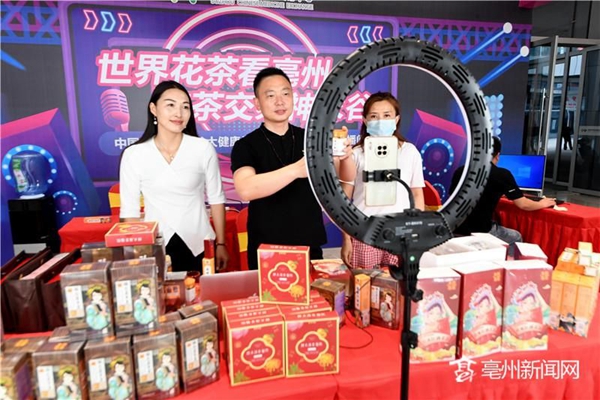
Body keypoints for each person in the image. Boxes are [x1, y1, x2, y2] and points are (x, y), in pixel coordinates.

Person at [231, 67, 355, 270]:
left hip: (309, 244)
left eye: (285, 93)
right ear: (257, 103)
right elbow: (246, 189)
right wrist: (296, 170)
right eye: (271, 95)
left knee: (314, 291)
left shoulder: (312, 139)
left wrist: (346, 157)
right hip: (266, 248)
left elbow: (343, 182)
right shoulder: (246, 145)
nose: (280, 101)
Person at [119, 80, 229, 272]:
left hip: (200, 242)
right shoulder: (134, 154)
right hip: (155, 244)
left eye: (185, 107)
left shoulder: (202, 148)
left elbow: (216, 199)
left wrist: (221, 243)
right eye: (170, 105)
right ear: (153, 109)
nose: (179, 113)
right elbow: (130, 212)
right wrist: (137, 252)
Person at [340, 92, 425, 269]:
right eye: (374, 116)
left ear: (396, 119)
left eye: (387, 115)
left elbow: (417, 194)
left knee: (397, 284)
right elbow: (343, 200)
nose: (381, 121)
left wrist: (416, 232)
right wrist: (346, 239)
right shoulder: (355, 154)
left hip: (400, 232)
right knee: (363, 283)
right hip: (364, 232)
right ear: (365, 121)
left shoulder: (410, 152)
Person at [450, 136, 556, 248]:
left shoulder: (460, 171)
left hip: (456, 228)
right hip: (481, 230)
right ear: (497, 155)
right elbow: (524, 205)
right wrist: (542, 203)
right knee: (516, 236)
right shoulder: (502, 175)